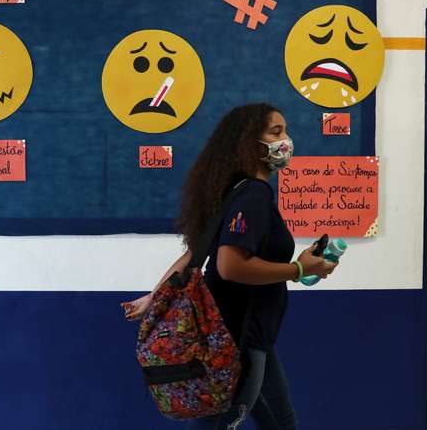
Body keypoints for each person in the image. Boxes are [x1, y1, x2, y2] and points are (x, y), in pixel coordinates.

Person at [121, 103, 338, 430]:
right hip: (236, 335)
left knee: (281, 422)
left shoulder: (237, 193)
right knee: (223, 421)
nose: (287, 140)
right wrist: (299, 270)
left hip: (247, 333)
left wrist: (153, 297)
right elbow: (230, 266)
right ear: (249, 142)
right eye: (276, 132)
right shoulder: (252, 196)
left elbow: (194, 255)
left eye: (285, 131)